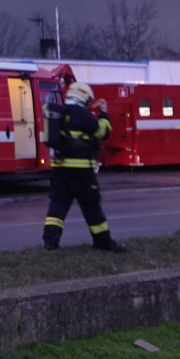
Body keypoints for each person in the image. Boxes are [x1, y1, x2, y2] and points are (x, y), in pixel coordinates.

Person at [42, 81, 128, 253]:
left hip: (60, 169)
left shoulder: (58, 113)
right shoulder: (82, 114)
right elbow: (102, 132)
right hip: (81, 171)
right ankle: (103, 241)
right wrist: (104, 114)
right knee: (91, 205)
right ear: (83, 97)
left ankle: (50, 242)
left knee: (58, 204)